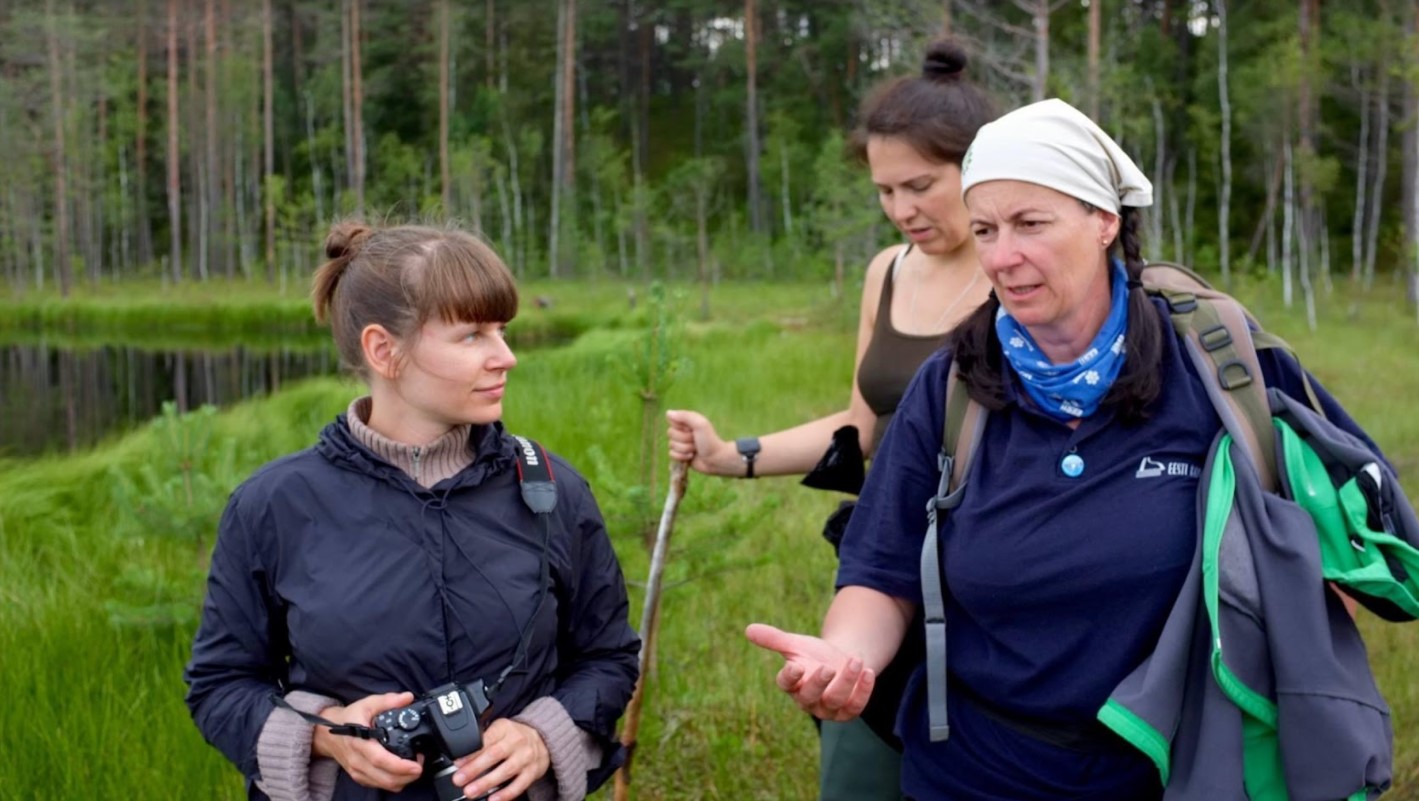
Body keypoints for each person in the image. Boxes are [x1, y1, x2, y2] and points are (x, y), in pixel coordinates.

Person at [744, 98, 1396, 800]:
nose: (1002, 255)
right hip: (975, 769)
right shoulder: (951, 387)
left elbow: (1351, 531)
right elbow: (881, 570)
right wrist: (846, 657)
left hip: (1178, 766)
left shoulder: (1215, 363)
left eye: (1030, 224)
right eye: (987, 228)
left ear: (1103, 222)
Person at [185, 221, 640, 801]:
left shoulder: (552, 489)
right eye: (473, 334)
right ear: (384, 350)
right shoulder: (274, 505)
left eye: (503, 330)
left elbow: (609, 656)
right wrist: (328, 736)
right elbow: (221, 685)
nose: (507, 356)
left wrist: (542, 733)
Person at [666, 40, 996, 801]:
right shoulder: (887, 271)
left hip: (988, 574)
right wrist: (730, 454)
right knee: (859, 770)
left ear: (976, 168)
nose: (901, 209)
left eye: (919, 185)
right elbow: (864, 429)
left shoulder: (1018, 272)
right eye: (884, 191)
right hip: (885, 567)